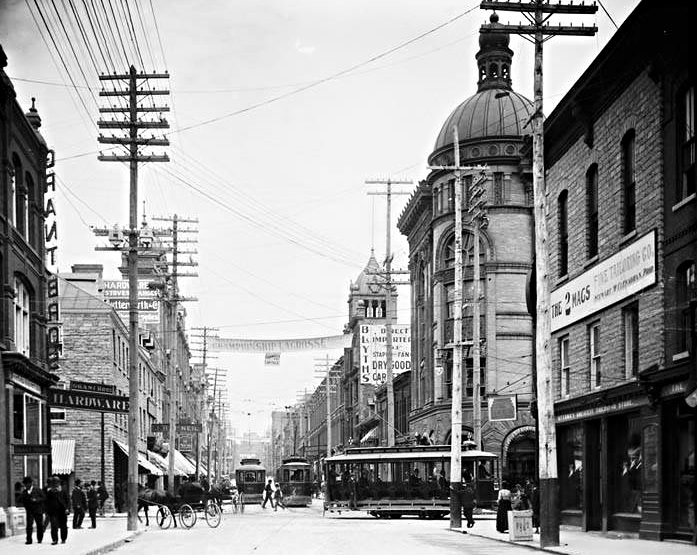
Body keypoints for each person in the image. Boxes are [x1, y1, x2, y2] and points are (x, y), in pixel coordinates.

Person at [20, 476, 45, 544]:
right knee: (29, 526)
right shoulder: (24, 492)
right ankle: (29, 539)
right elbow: (23, 501)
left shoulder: (37, 490)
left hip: (38, 510)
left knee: (39, 525)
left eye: (27, 484)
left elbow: (43, 498)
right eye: (25, 484)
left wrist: (36, 500)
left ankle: (39, 538)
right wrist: (26, 507)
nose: (26, 485)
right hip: (30, 511)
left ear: (31, 483)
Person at [45, 476, 69, 544]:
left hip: (62, 511)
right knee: (54, 526)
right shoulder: (50, 492)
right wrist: (47, 510)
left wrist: (67, 508)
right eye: (53, 483)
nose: (55, 484)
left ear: (59, 483)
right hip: (53, 512)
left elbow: (67, 501)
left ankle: (63, 538)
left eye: (56, 483)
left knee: (63, 526)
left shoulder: (63, 491)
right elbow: (47, 502)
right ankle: (55, 539)